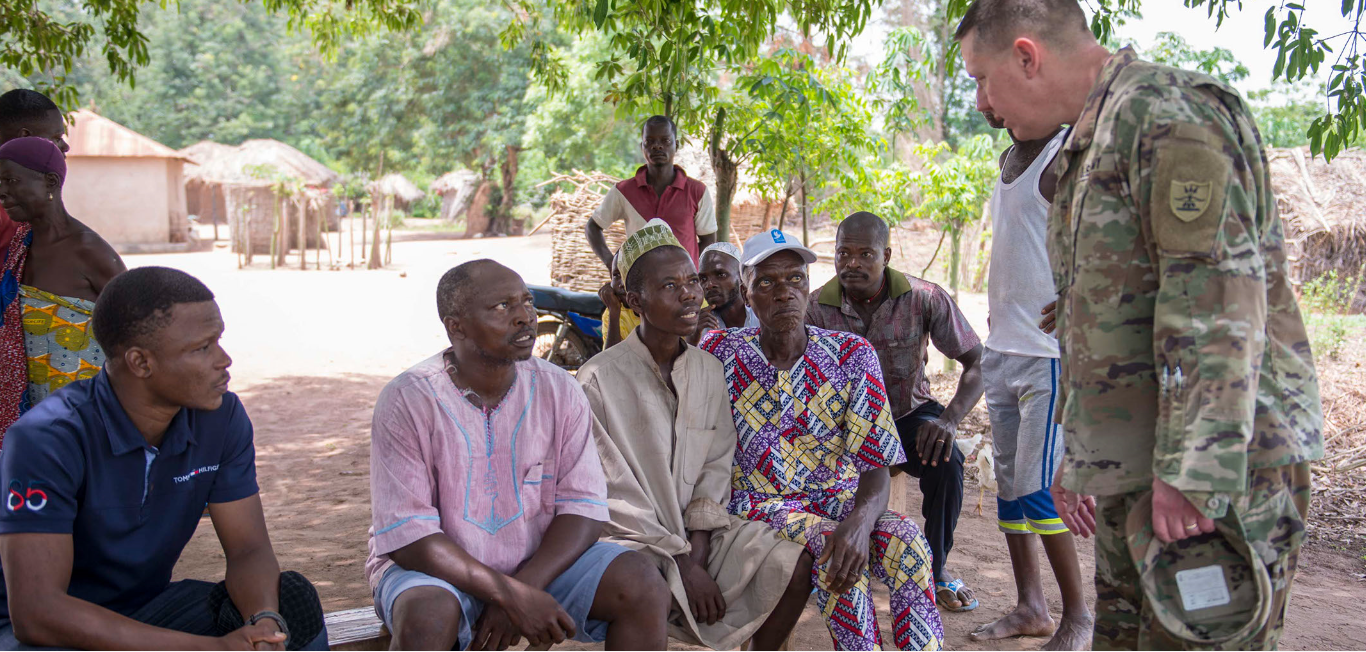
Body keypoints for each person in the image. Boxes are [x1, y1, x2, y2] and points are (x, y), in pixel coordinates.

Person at [956, 0, 1324, 649]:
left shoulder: (1166, 115)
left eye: (982, 79)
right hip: (1134, 470)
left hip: (1208, 479)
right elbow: (1092, 314)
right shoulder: (1086, 144)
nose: (983, 104)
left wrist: (1192, 472)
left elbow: (1213, 303)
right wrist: (1082, 445)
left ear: (1026, 55)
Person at [0, 266, 328, 650]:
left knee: (291, 601)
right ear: (141, 363)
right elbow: (37, 613)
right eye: (201, 348)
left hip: (146, 611)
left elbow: (248, 549)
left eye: (218, 340)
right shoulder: (48, 438)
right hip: (50, 634)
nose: (224, 360)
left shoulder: (220, 418)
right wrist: (212, 648)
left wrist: (263, 622)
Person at [366, 259, 670, 650]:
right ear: (455, 326)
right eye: (502, 307)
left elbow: (583, 508)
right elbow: (410, 537)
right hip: (432, 573)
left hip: (536, 566)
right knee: (428, 614)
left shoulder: (560, 390)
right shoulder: (408, 399)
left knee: (641, 583)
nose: (525, 317)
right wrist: (506, 594)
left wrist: (523, 588)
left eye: (527, 302)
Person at [701, 229, 945, 651]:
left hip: (840, 498)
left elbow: (876, 464)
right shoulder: (721, 353)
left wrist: (859, 522)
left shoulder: (851, 355)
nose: (784, 293)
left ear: (809, 286)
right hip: (761, 503)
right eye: (766, 282)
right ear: (745, 291)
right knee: (836, 558)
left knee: (910, 545)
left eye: (795, 279)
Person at [578, 222, 812, 650]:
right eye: (670, 285)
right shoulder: (597, 380)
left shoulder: (708, 369)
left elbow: (715, 466)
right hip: (633, 539)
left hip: (700, 535)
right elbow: (611, 494)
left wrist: (698, 550)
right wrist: (682, 562)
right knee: (644, 582)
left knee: (792, 564)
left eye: (692, 281)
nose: (690, 294)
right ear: (635, 300)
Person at [805, 211, 984, 612]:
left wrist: (948, 420)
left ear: (885, 255)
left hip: (908, 417)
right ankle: (820, 564)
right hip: (842, 427)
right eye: (843, 253)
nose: (852, 263)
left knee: (947, 460)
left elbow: (978, 362)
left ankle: (934, 570)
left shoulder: (923, 297)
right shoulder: (815, 308)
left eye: (864, 254)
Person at [967, 110, 1092, 649]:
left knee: (1042, 491)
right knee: (1011, 492)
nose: (986, 104)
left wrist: (1080, 289)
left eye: (991, 86)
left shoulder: (1064, 153)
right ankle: (1030, 606)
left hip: (1047, 356)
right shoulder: (1011, 155)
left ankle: (1078, 617)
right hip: (1003, 350)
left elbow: (1103, 231)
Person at [0, 136, 124, 437]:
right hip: (29, 422)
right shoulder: (19, 247)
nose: (2, 193)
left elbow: (136, 330)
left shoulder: (90, 252)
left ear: (51, 182)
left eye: (11, 180)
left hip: (82, 420)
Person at [586, 115, 717, 271]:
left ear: (676, 145)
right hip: (640, 287)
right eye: (650, 141)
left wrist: (691, 273)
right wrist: (611, 263)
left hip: (684, 288)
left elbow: (708, 239)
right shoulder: (623, 191)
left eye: (665, 141)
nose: (657, 146)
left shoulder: (696, 191)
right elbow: (593, 227)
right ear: (642, 147)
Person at [697, 241, 759, 332]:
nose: (709, 285)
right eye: (703, 279)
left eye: (720, 275)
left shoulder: (762, 319)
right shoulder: (701, 327)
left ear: (742, 277)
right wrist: (693, 338)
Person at [597, 250, 640, 349]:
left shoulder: (660, 310)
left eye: (629, 274)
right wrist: (614, 312)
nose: (622, 283)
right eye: (616, 275)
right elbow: (610, 360)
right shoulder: (612, 313)